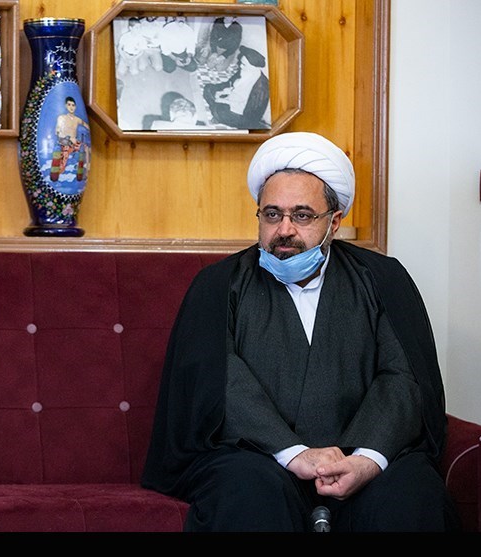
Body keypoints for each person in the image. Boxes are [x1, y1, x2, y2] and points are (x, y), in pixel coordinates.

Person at [141, 132, 460, 532]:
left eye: (303, 215)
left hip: (360, 455)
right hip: (256, 457)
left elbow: (402, 377)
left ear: (334, 222)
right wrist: (292, 453)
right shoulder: (218, 285)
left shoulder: (383, 279)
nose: (285, 230)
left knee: (412, 495)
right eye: (272, 214)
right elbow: (218, 381)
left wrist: (366, 459)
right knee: (248, 492)